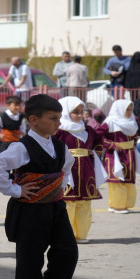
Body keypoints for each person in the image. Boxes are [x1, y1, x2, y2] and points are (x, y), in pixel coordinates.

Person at [0, 94, 77, 279]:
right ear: (34, 120)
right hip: (30, 211)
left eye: (59, 118)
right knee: (30, 258)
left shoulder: (59, 146)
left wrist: (57, 187)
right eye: (53, 118)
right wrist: (14, 189)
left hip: (56, 207)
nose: (58, 123)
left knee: (67, 251)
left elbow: (67, 166)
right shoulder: (22, 147)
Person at [54, 96, 106, 244]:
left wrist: (95, 151)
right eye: (75, 112)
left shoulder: (88, 129)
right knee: (68, 202)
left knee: (84, 201)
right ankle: (66, 235)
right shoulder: (59, 130)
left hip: (85, 168)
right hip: (67, 167)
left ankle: (80, 234)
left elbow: (98, 142)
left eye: (81, 111)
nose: (79, 115)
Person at [97, 99, 140, 214]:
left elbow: (135, 135)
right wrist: (111, 144)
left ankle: (125, 204)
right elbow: (99, 136)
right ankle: (116, 205)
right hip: (114, 155)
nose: (129, 112)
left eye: (130, 109)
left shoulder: (133, 120)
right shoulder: (110, 122)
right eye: (126, 109)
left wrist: (133, 144)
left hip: (129, 154)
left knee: (128, 180)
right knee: (116, 180)